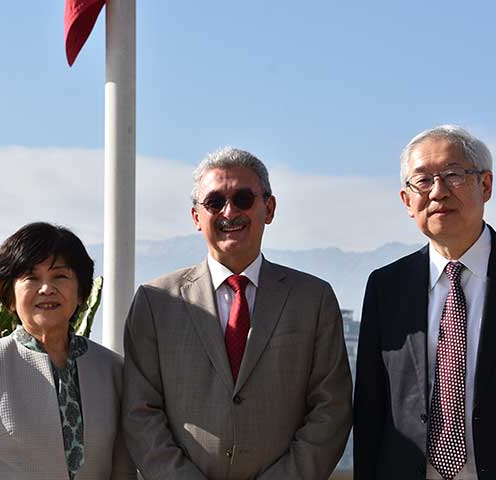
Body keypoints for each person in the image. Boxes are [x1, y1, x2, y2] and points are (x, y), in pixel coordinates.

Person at [353, 125, 496, 479]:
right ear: (406, 200)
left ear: (486, 185)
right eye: (423, 181)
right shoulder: (386, 287)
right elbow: (371, 409)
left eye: (453, 175)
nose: (438, 192)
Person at [123, 147, 352, 479]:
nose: (229, 212)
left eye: (243, 199)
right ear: (196, 217)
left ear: (269, 208)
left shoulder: (313, 300)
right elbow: (140, 413)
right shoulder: (156, 302)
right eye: (215, 202)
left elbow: (331, 409)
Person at [0, 222, 136, 479]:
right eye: (31, 277)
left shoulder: (113, 370)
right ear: (10, 296)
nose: (46, 288)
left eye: (60, 276)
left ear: (81, 292)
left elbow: (123, 472)